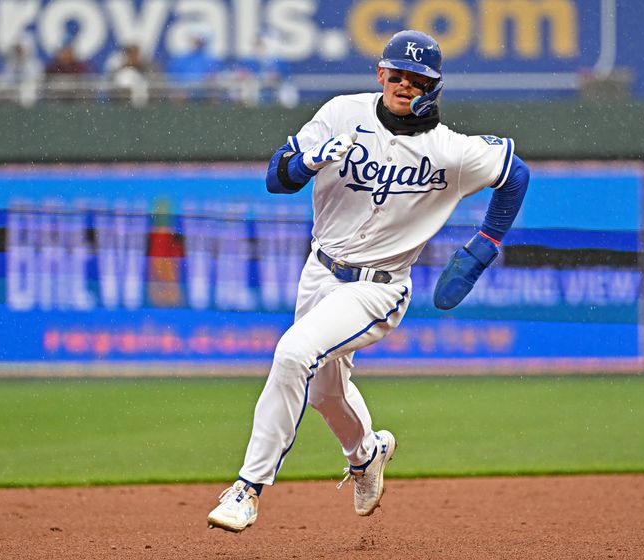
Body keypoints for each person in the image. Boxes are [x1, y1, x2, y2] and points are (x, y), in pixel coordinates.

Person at [206, 30, 530, 533]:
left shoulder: (452, 151)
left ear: (433, 87)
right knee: (324, 394)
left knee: (294, 354)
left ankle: (247, 489)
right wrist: (304, 163)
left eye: (417, 78)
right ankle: (368, 454)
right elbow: (276, 176)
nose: (404, 84)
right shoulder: (340, 114)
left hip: (379, 287)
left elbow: (516, 174)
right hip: (319, 271)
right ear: (380, 74)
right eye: (396, 74)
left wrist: (484, 246)